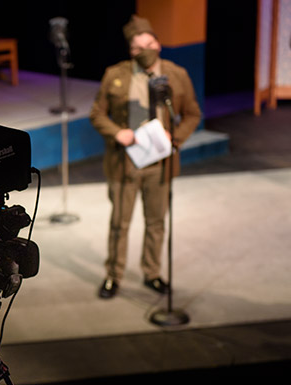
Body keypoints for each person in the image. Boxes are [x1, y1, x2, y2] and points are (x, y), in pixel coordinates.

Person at [89, 15, 201, 299]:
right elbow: (97, 113)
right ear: (131, 51)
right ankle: (113, 275)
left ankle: (152, 273)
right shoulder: (115, 74)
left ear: (158, 44)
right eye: (138, 48)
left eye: (149, 44)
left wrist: (174, 139)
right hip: (124, 163)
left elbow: (192, 114)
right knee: (119, 223)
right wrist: (117, 132)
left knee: (156, 222)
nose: (145, 51)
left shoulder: (176, 75)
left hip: (160, 164)